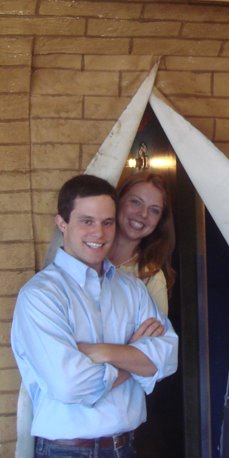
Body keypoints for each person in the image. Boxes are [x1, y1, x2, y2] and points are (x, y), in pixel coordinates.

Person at [11, 174, 178, 458]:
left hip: (125, 447)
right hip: (65, 452)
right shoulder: (40, 296)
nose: (99, 233)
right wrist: (132, 359)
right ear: (62, 223)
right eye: (87, 221)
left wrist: (101, 352)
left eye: (107, 222)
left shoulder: (134, 289)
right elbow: (70, 385)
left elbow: (168, 358)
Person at [109, 172, 175, 315]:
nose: (144, 214)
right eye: (136, 202)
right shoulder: (88, 254)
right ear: (118, 201)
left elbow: (155, 331)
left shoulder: (152, 279)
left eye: (154, 210)